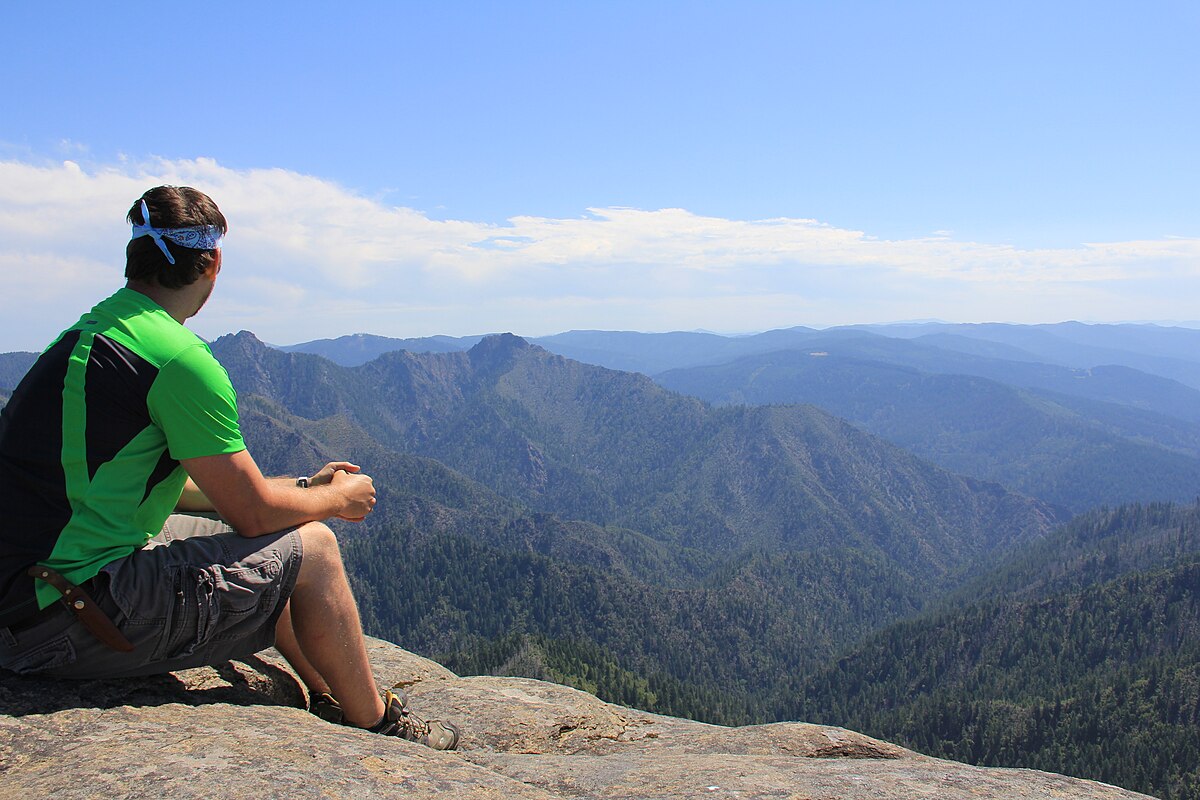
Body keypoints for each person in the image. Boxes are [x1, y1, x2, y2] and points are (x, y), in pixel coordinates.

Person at [0, 185, 459, 749]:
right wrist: (337, 500)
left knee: (277, 527)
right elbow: (253, 512)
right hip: (61, 621)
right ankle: (375, 724)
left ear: (133, 258)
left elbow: (172, 486)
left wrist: (300, 487)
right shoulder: (180, 361)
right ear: (213, 261)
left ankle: (327, 692)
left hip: (23, 599)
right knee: (312, 547)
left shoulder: (91, 334)